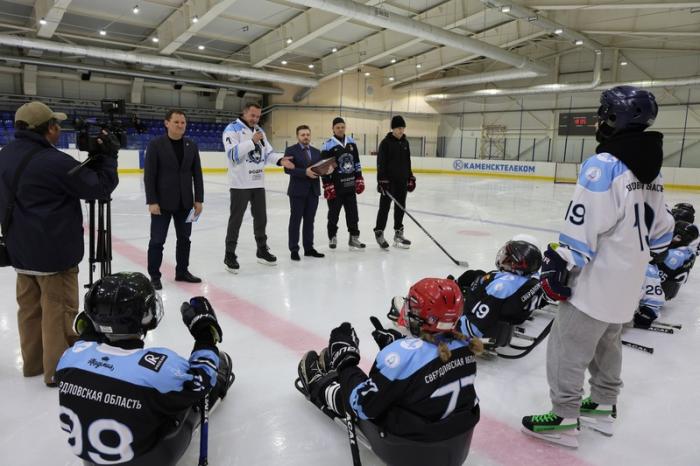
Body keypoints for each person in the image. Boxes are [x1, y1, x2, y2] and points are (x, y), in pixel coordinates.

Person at [522, 86, 675, 448]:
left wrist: (560, 263)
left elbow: (584, 223)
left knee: (567, 346)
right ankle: (604, 404)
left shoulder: (603, 164)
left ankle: (563, 417)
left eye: (602, 115)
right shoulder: (652, 171)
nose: (597, 121)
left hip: (596, 281)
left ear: (613, 119)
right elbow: (662, 236)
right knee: (608, 342)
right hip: (630, 283)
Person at [296, 278, 481, 466]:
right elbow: (428, 372)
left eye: (413, 305)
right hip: (456, 440)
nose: (409, 308)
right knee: (393, 390)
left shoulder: (401, 355)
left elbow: (362, 405)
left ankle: (321, 384)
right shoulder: (466, 347)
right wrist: (400, 343)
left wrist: (346, 363)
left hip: (412, 450)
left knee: (361, 396)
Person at [56, 272, 234, 466]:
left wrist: (100, 317)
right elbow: (202, 379)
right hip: (148, 458)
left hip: (90, 459)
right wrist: (205, 332)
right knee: (190, 391)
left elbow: (88, 337)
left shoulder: (69, 358)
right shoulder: (159, 369)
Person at [0, 101, 119, 387]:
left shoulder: (5, 155)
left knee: (29, 310)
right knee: (59, 310)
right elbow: (99, 187)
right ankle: (58, 370)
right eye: (56, 125)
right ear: (48, 128)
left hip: (20, 251)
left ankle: (33, 364)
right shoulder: (53, 161)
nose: (59, 129)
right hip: (54, 254)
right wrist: (109, 157)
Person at [222, 102, 295, 272]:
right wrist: (251, 141)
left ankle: (261, 250)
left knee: (261, 218)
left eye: (258, 116)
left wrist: (280, 160)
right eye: (252, 115)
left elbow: (268, 153)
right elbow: (232, 154)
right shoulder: (232, 129)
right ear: (244, 113)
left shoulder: (259, 131)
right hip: (240, 185)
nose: (255, 119)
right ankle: (229, 253)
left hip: (258, 183)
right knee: (236, 220)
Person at [144, 109, 204, 290]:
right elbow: (149, 175)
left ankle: (182, 272)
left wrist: (199, 200)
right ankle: (154, 276)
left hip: (186, 203)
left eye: (183, 122)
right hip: (161, 204)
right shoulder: (155, 145)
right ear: (167, 123)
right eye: (176, 122)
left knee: (185, 239)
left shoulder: (191, 145)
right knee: (157, 241)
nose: (180, 125)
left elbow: (197, 174)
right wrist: (152, 201)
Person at [455, 240, 544, 345]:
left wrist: (454, 329)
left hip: (474, 315)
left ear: (513, 262)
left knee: (470, 278)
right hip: (510, 314)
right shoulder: (534, 279)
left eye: (506, 255)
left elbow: (478, 324)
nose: (502, 256)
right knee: (475, 274)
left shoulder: (501, 288)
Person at [321, 117, 365, 250]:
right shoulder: (328, 145)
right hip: (336, 187)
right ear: (333, 129)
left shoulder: (351, 142)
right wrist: (327, 185)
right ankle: (332, 236)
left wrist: (359, 178)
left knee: (353, 214)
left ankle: (354, 238)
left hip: (350, 186)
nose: (340, 129)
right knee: (333, 215)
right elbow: (324, 168)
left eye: (342, 127)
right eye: (338, 127)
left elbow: (356, 162)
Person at [284, 125, 325, 261]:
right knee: (295, 221)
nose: (306, 137)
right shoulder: (291, 150)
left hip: (313, 191)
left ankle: (309, 248)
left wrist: (327, 170)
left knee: (309, 221)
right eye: (303, 135)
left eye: (307, 134)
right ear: (297, 136)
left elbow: (319, 169)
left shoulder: (316, 152)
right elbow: (287, 169)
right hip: (297, 192)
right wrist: (304, 172)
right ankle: (294, 249)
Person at [374, 115, 415, 249]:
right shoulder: (385, 143)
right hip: (388, 183)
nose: (401, 130)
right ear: (393, 128)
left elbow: (408, 162)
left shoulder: (405, 143)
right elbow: (380, 163)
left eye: (403, 128)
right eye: (398, 128)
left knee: (400, 208)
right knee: (384, 208)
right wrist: (382, 180)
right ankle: (379, 232)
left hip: (402, 182)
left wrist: (410, 177)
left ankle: (398, 233)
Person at [654, 220, 698, 300]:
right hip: (667, 289)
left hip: (658, 291)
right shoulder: (688, 251)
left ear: (679, 237)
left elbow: (659, 276)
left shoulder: (674, 255)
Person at [632, 262, 665, 329]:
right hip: (658, 304)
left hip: (646, 309)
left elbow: (639, 293)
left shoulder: (639, 268)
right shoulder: (653, 267)